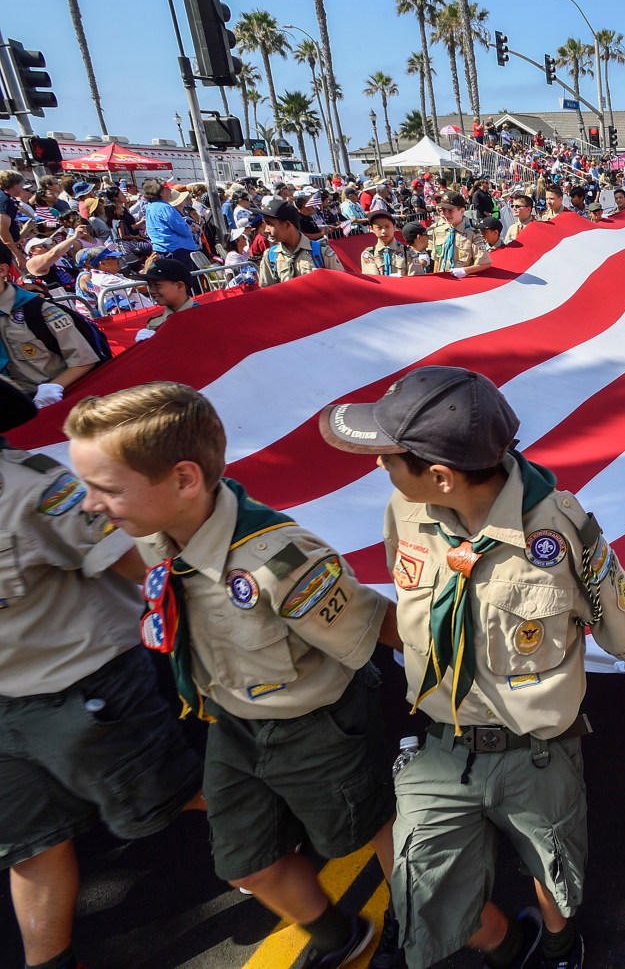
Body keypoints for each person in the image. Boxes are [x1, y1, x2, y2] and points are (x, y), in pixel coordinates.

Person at [320, 366, 625, 969]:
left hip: (538, 749)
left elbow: (613, 602)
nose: (380, 467)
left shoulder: (558, 526)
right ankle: (508, 948)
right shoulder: (407, 509)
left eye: (391, 457)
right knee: (423, 884)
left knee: (553, 869)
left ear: (443, 475)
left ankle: (558, 946)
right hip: (442, 745)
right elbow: (411, 595)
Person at [65, 382, 397, 969]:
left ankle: (418, 920)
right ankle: (334, 935)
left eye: (106, 488)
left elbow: (377, 630)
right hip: (233, 724)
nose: (92, 503)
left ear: (185, 480)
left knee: (371, 827)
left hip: (317, 724)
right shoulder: (155, 539)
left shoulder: (280, 560)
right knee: (246, 861)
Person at [0, 378, 204, 969]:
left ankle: (274, 833)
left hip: (86, 693)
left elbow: (135, 564)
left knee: (172, 795)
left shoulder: (35, 490)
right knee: (32, 846)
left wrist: (215, 625)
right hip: (5, 711)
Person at [0, 253, 100, 408]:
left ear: (2, 270)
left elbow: (84, 359)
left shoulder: (39, 311)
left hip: (54, 400)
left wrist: (54, 387)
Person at [259, 196, 343, 287]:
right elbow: (268, 292)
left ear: (287, 225)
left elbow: (340, 285)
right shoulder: (270, 256)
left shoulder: (322, 252)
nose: (266, 230)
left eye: (270, 224)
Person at [139, 180, 204, 271]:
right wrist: (190, 228)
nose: (170, 190)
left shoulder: (150, 206)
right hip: (177, 251)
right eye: (168, 189)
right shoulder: (165, 207)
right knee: (183, 280)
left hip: (163, 249)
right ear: (161, 192)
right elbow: (182, 229)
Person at [134, 258, 202, 343]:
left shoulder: (203, 316)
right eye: (150, 286)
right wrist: (144, 345)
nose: (152, 291)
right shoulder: (154, 324)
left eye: (157, 285)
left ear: (179, 286)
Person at [427, 191, 492, 278]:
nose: (446, 214)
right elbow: (437, 259)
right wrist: (436, 278)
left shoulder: (473, 234)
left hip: (461, 282)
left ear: (461, 211)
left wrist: (464, 271)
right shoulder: (438, 231)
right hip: (443, 281)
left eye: (450, 210)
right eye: (443, 210)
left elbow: (485, 263)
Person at [359, 210, 419, 276]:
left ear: (394, 227)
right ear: (371, 229)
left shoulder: (407, 252)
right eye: (379, 227)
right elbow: (373, 280)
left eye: (387, 226)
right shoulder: (369, 254)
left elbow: (415, 279)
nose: (384, 231)